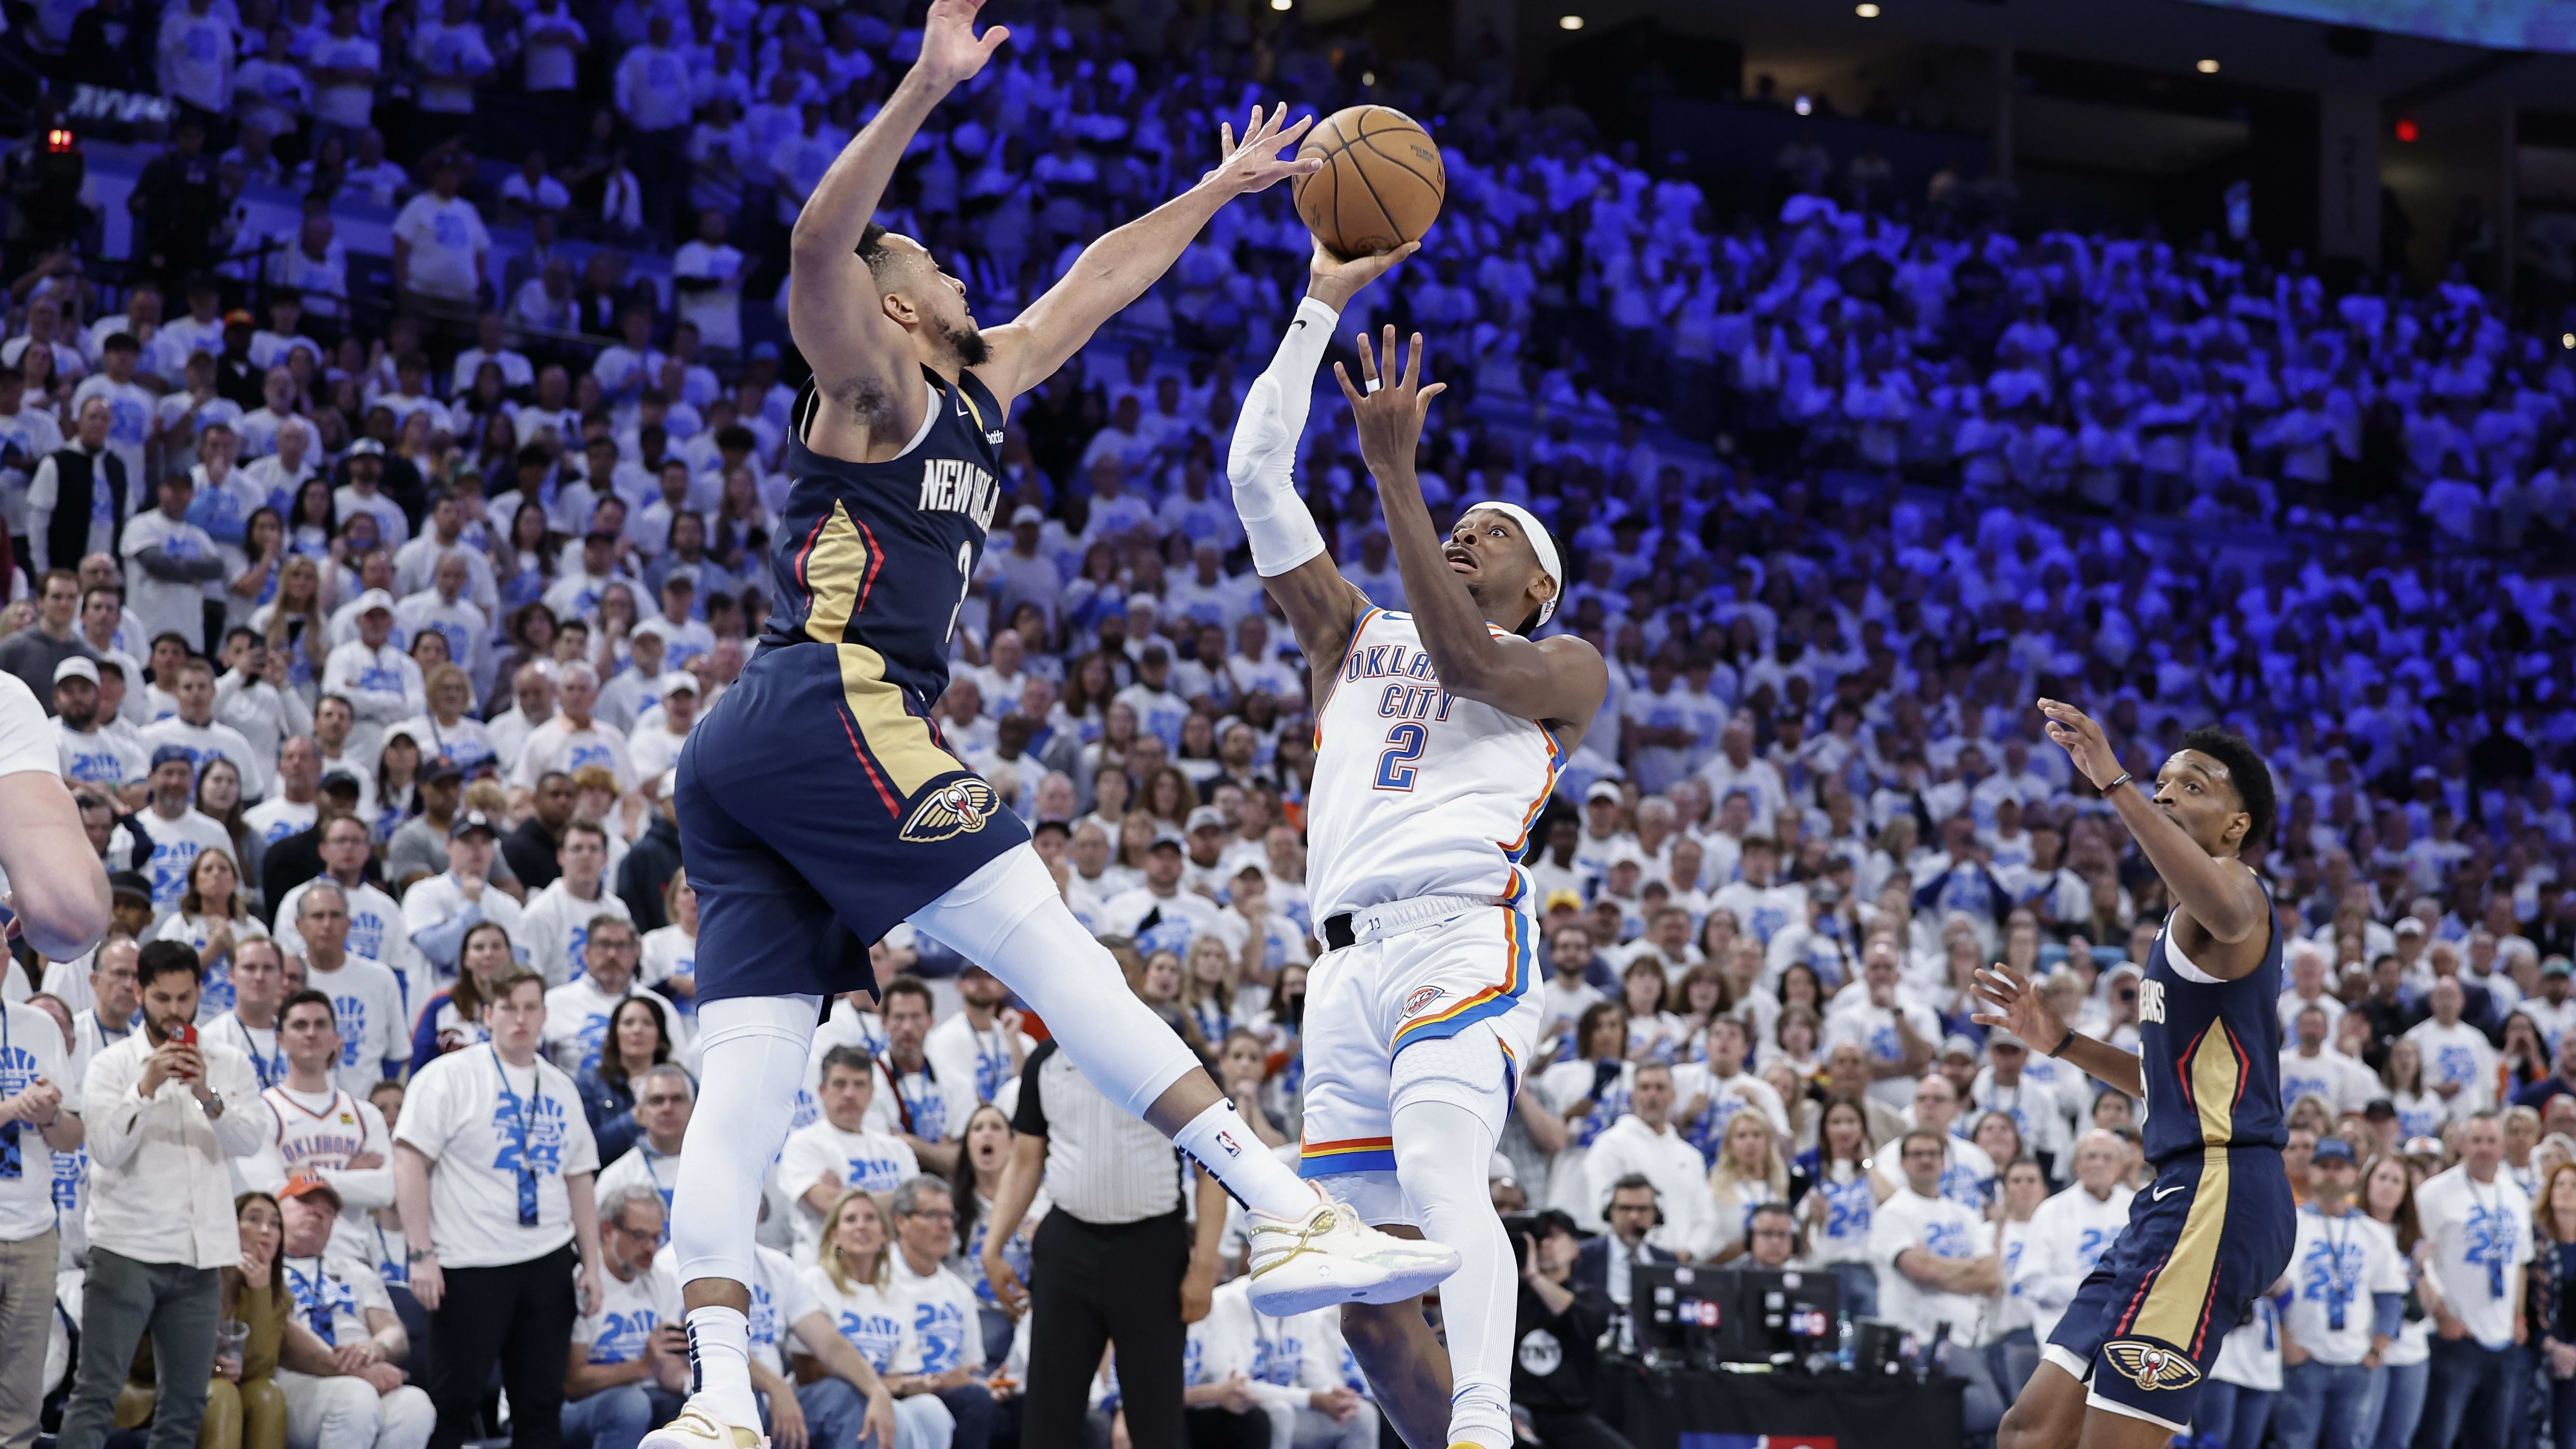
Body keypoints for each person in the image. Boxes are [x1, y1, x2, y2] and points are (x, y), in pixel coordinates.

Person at [654, 11, 1439, 1444]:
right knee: (1052, 942)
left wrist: (1219, 192)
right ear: (897, 306)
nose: (954, 273)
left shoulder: (977, 384)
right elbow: (818, 250)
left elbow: (1097, 283)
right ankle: (1284, 1209)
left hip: (757, 749)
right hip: (833, 698)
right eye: (932, 268)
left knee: (746, 1074)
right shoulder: (873, 384)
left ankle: (711, 1396)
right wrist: (925, 86)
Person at [1227, 273, 1606, 1444]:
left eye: (1491, 534)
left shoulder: (1566, 667)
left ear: (1537, 588)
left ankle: (1490, 1422)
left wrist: (1396, 471)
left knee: (1448, 1176)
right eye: (1459, 523)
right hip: (1338, 966)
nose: (1464, 533)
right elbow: (1255, 475)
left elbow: (1465, 663)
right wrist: (1318, 302)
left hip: (1459, 931)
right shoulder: (1351, 630)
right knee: (1373, 1313)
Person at [1977, 719, 2294, 1449]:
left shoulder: (2239, 898)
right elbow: (2165, 1079)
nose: (2167, 794)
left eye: (2192, 786)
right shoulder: (2179, 927)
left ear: (2235, 825)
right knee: (2029, 1430)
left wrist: (2115, 784)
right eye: (2161, 784)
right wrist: (2058, 1040)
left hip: (2221, 1187)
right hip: (2174, 1194)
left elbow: (2224, 905)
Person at [59, 940, 277, 1449]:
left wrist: (206, 1094)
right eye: (162, 998)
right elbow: (105, 1149)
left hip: (200, 1256)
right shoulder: (111, 1065)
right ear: (139, 992)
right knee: (95, 1396)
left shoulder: (227, 1062)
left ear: (201, 991)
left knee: (186, 1406)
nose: (175, 1010)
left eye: (185, 997)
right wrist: (145, 1086)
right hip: (126, 1250)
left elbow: (249, 1141)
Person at [978, 1024, 1230, 1449]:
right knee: (1048, 1419)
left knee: (1157, 1420)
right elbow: (1025, 1161)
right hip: (1067, 1246)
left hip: (1151, 1249)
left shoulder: (1169, 1054)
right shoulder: (1045, 1060)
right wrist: (992, 1245)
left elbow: (1211, 1165)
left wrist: (1205, 1263)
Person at [390, 966, 606, 1449]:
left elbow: (579, 1180)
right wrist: (421, 1252)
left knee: (541, 1408)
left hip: (548, 1262)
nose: (520, 1019)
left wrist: (592, 1264)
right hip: (470, 1263)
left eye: (531, 1007)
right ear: (488, 1015)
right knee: (454, 1405)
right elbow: (408, 1159)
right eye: (509, 1007)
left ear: (546, 1015)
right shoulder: (448, 1076)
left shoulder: (561, 1087)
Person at [270, 1174, 434, 1449]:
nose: (317, 1213)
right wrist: (352, 1372)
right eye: (306, 1202)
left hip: (362, 1375)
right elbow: (283, 1340)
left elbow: (394, 1332)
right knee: (355, 1398)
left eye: (328, 1211)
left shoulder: (355, 1270)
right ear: (277, 1210)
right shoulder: (266, 1270)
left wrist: (376, 1349)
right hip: (298, 1378)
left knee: (415, 1405)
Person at [0, 952, 86, 1449]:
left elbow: (72, 1136)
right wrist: (15, 1107)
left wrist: (51, 1115)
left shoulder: (39, 1027)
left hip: (34, 1230)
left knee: (20, 1408)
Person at [1872, 1128, 2007, 1432]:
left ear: (1945, 1162)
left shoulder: (1963, 1214)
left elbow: (1990, 1277)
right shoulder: (1893, 1213)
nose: (1926, 1161)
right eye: (1917, 1154)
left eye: (1933, 1154)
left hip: (1969, 1336)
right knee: (1988, 1412)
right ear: (1903, 1163)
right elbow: (1920, 1271)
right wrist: (1968, 1268)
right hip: (1919, 1340)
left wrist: (1938, 1268)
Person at [2412, 1112, 2532, 1449]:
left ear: (2503, 1146)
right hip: (2454, 1336)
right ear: (2462, 1144)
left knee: (2492, 1439)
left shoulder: (2516, 1196)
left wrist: (2519, 1316)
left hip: (2503, 1339)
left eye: (2492, 1140)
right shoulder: (2433, 1194)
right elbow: (2420, 1260)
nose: (2484, 1148)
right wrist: (2441, 1315)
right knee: (2437, 1437)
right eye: (2476, 1140)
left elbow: (2520, 1263)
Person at [2273, 1137, 2403, 1449]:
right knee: (2294, 1442)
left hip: (2356, 1360)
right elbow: (2270, 1291)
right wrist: (2288, 1343)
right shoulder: (2290, 1224)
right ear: (2312, 1172)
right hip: (2304, 1358)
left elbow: (2390, 1296)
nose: (2332, 1174)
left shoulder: (2374, 1232)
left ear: (2354, 1174)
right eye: (2325, 1166)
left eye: (2340, 1167)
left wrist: (2377, 1349)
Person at [798, 1190, 954, 1449]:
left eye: (870, 1218)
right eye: (850, 1219)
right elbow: (809, 1370)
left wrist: (907, 1386)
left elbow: (900, 1371)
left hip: (879, 1392)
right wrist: (879, 1387)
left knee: (932, 1410)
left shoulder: (897, 1295)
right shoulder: (815, 1281)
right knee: (895, 1415)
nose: (861, 1225)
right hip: (826, 1396)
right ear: (834, 1235)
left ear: (884, 1235)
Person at [563, 1185, 686, 1449]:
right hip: (566, 1408)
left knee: (689, 1411)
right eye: (640, 1236)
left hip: (639, 1396)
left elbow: (668, 1370)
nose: (651, 1249)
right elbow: (571, 1383)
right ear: (607, 1231)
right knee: (630, 1405)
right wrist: (643, 1366)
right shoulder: (581, 1281)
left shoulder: (663, 1282)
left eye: (657, 1237)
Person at [777, 1046, 918, 1263]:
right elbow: (830, 1205)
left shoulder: (897, 1149)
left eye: (859, 1084)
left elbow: (917, 1212)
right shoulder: (803, 1144)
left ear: (872, 1092)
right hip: (826, 1266)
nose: (849, 1093)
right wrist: (897, 1198)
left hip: (888, 1269)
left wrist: (844, 1194)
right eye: (840, 1084)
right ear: (822, 1091)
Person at [885, 1178, 992, 1449]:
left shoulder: (960, 1291)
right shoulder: (876, 1278)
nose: (946, 1225)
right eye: (933, 1215)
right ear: (901, 1222)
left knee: (1023, 1408)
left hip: (951, 1394)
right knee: (973, 1403)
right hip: (896, 1392)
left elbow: (970, 1367)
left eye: (949, 1216)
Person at [1510, 1210, 1623, 1449]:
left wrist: (1535, 1277)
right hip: (1516, 1408)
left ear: (1576, 1248)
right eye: (1541, 1238)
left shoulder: (1592, 1295)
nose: (1547, 1244)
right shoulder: (1513, 1296)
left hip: (1567, 1413)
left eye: (1556, 1237)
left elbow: (1587, 1321)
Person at [1570, 1176, 1679, 1355]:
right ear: (1609, 1213)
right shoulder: (1582, 1257)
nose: (1634, 1217)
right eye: (1625, 1208)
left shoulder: (1667, 1261)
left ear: (1656, 1215)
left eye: (1643, 1209)